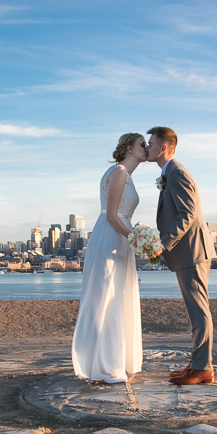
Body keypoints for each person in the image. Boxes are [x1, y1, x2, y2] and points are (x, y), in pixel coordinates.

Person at [72, 133, 148, 383]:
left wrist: (134, 237)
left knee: (119, 295)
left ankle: (118, 359)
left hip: (121, 237)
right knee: (107, 296)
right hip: (112, 235)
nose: (147, 149)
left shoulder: (127, 175)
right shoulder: (119, 173)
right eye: (142, 145)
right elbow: (112, 216)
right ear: (129, 148)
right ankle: (105, 366)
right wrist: (138, 238)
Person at [147, 126, 216, 385]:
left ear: (163, 147)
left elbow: (187, 214)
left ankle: (203, 368)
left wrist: (162, 244)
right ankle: (199, 364)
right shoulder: (171, 173)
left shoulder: (177, 173)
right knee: (195, 311)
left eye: (151, 143)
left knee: (199, 311)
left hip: (192, 252)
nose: (148, 148)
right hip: (188, 252)